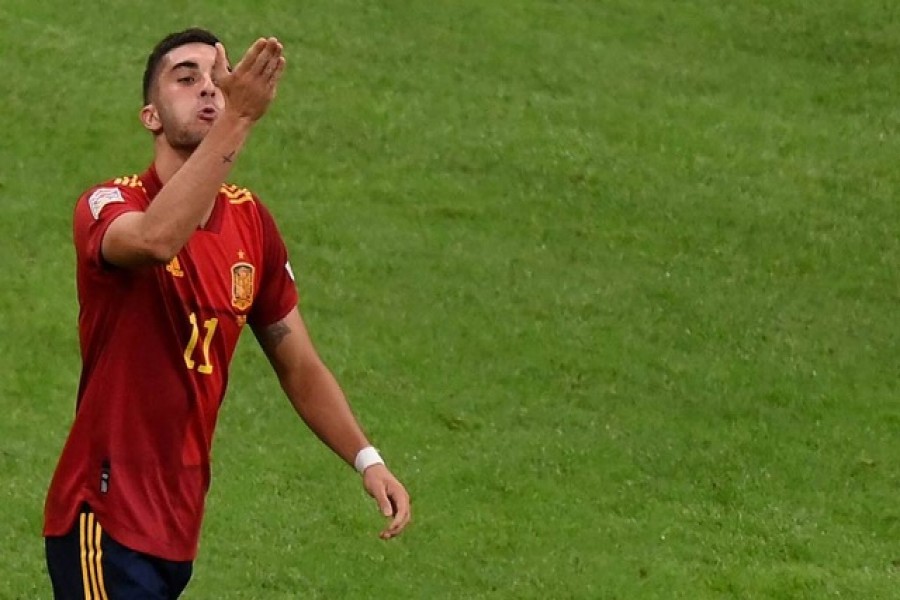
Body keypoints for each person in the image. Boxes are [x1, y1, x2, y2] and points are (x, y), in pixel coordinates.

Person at [43, 28, 411, 599]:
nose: (209, 92)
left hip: (177, 525)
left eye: (218, 81)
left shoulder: (250, 224)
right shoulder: (110, 204)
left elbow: (298, 362)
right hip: (103, 516)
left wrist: (368, 460)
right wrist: (238, 119)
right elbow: (156, 240)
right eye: (186, 80)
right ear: (151, 116)